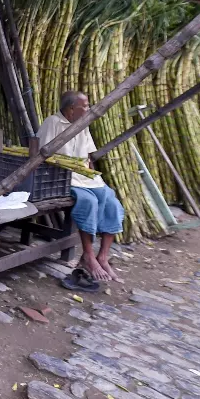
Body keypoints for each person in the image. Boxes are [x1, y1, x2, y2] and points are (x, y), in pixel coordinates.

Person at [38, 90, 125, 283]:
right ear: (71, 109)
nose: (89, 109)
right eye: (85, 106)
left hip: (85, 177)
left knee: (112, 202)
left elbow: (89, 157)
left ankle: (103, 257)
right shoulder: (52, 123)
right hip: (62, 177)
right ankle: (88, 256)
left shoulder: (82, 125)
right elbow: (41, 155)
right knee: (89, 202)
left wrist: (93, 177)